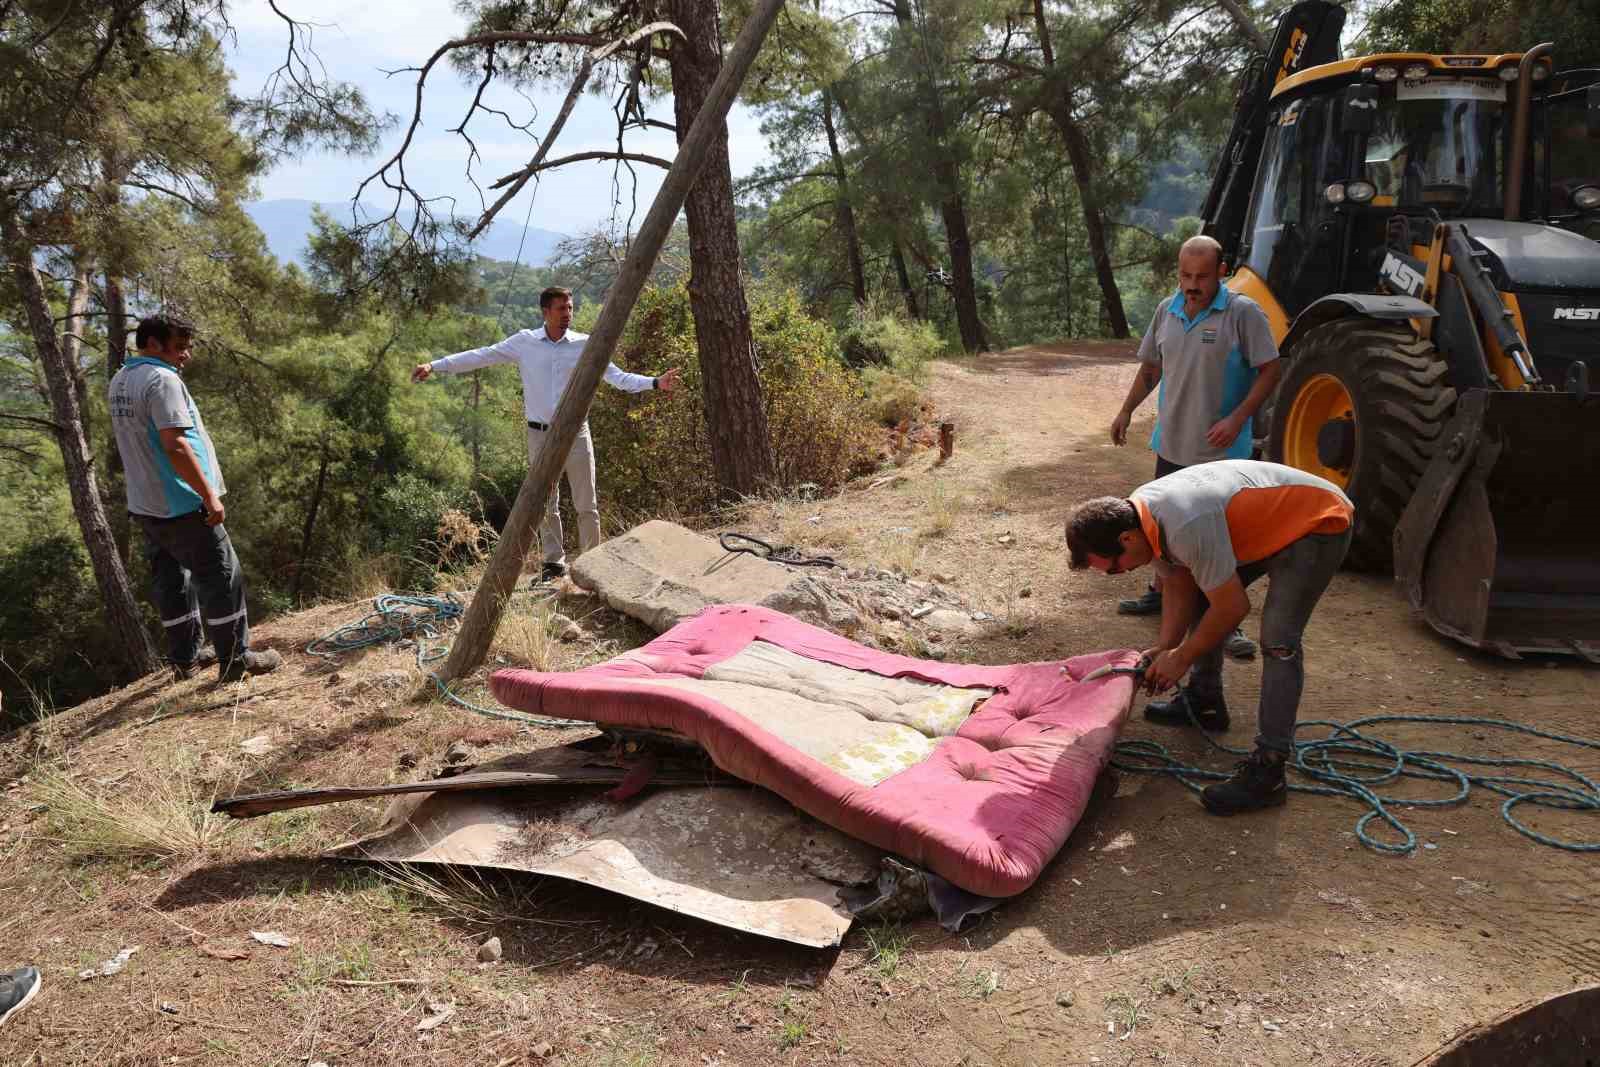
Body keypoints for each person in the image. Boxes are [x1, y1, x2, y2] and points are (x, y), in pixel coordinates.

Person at [1064, 459, 1353, 814]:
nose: (1118, 574)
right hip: (1268, 522)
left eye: (1112, 569)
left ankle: (1270, 769)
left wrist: (1182, 657)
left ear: (1126, 539)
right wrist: (1166, 648)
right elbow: (1178, 581)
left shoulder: (1184, 524)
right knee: (1205, 596)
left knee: (1279, 642)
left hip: (1316, 522)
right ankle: (1205, 700)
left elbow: (1233, 608)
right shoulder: (1140, 518)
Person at [412, 287, 681, 582]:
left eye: (570, 308)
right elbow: (482, 356)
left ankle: (595, 564)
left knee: (586, 503)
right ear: (545, 312)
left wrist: (656, 383)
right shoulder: (525, 342)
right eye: (561, 309)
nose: (567, 314)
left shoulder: (585, 345)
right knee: (545, 502)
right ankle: (554, 564)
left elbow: (618, 378)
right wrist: (434, 365)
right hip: (538, 435)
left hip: (576, 432)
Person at [1109, 235, 1283, 662]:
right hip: (1171, 443)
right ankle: (1159, 592)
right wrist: (1126, 411)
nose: (1192, 285)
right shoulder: (1166, 310)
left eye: (1202, 277)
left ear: (1221, 272)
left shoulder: (1243, 313)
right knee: (1160, 532)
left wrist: (1238, 418)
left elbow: (1271, 369)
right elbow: (1152, 367)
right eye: (1185, 275)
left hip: (1221, 458)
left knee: (1221, 542)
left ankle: (1228, 623)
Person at [108, 315, 282, 683]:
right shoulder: (163, 380)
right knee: (221, 576)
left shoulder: (120, 379)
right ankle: (236, 661)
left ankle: (184, 661)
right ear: (153, 343)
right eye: (180, 345)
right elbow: (176, 445)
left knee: (171, 581)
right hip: (182, 503)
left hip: (144, 503)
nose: (187, 354)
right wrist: (208, 496)